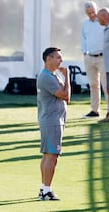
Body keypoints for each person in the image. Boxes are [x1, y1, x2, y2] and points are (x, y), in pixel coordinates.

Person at [37, 47, 70, 201]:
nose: (61, 60)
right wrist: (67, 78)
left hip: (51, 120)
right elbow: (65, 95)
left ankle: (44, 188)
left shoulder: (50, 75)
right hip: (52, 122)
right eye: (58, 57)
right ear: (48, 59)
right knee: (52, 157)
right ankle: (46, 191)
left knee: (47, 156)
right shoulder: (47, 77)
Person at [81, 1, 109, 119]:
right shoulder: (85, 25)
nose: (92, 15)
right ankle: (94, 110)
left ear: (97, 9)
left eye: (93, 12)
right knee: (93, 85)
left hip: (103, 57)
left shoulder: (103, 22)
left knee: (106, 85)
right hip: (89, 57)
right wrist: (84, 52)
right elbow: (83, 39)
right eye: (89, 13)